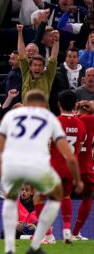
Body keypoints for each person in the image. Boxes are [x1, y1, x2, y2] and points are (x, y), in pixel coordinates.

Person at [0, 90, 83, 254]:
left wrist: (2, 174)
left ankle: (9, 248)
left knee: (10, 200)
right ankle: (36, 245)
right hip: (38, 165)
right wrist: (77, 179)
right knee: (57, 196)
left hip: (13, 164)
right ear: (44, 105)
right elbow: (69, 155)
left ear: (25, 103)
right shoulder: (49, 118)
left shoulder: (11, 117)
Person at [49, 91, 87, 244]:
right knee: (66, 197)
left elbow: (47, 145)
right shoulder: (81, 124)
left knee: (45, 198)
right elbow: (80, 148)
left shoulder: (55, 122)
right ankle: (66, 230)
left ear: (58, 104)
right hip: (71, 168)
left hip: (55, 166)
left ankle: (48, 235)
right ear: (75, 105)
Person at [72, 99, 94, 240]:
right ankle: (74, 233)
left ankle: (48, 233)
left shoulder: (70, 119)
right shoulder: (90, 119)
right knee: (88, 196)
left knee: (57, 197)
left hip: (67, 164)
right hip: (84, 166)